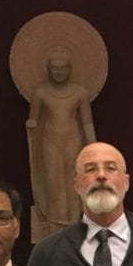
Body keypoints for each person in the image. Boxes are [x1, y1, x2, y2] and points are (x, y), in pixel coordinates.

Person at [26, 47, 97, 240]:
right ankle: (54, 227)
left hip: (73, 139)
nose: (59, 72)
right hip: (50, 141)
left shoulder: (79, 93)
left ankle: (75, 224)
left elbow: (87, 122)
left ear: (70, 69)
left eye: (63, 68)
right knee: (53, 181)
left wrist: (94, 147)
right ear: (48, 70)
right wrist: (31, 125)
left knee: (73, 180)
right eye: (55, 68)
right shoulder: (40, 93)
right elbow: (33, 119)